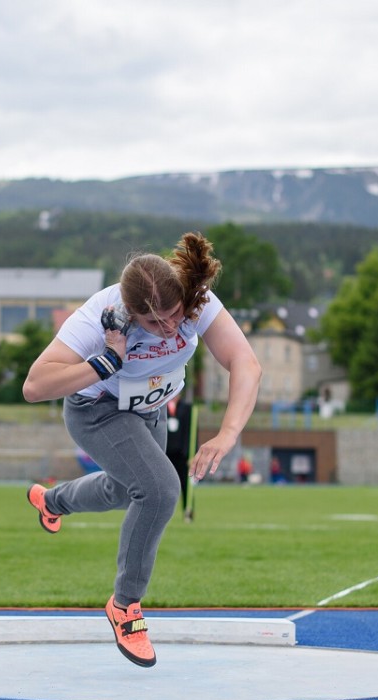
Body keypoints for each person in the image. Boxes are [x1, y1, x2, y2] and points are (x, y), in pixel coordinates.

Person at [21, 232, 261, 668]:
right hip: (99, 411)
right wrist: (104, 362)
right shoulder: (99, 317)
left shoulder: (196, 298)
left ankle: (52, 500)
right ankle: (125, 605)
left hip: (150, 408)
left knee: (122, 490)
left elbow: (245, 362)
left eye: (172, 316)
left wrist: (227, 434)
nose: (169, 328)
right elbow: (35, 385)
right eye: (152, 324)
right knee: (160, 491)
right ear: (129, 313)